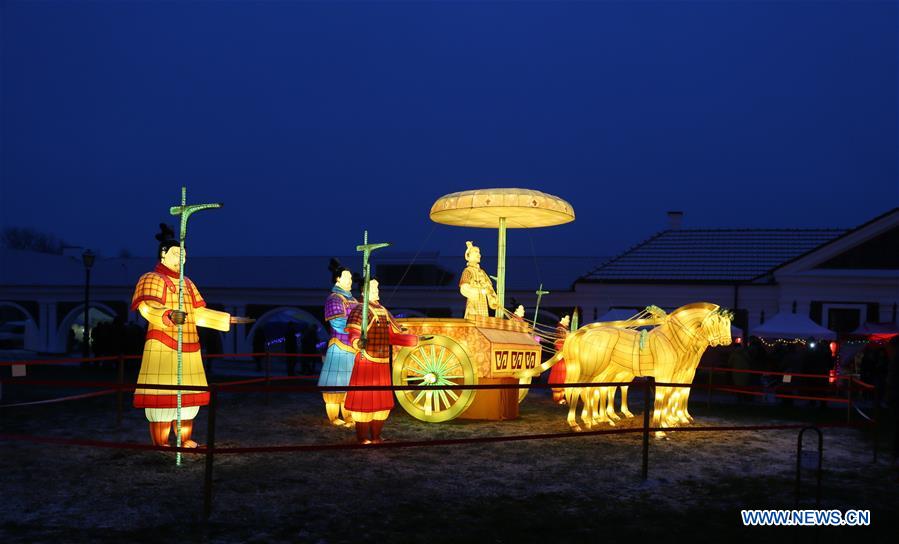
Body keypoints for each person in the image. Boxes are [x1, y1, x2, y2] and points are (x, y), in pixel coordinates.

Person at [131, 224, 251, 448]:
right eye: (177, 254)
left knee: (187, 398)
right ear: (163, 254)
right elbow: (147, 307)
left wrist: (225, 319)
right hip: (163, 346)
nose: (181, 259)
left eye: (184, 255)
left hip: (189, 347)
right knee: (162, 400)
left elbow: (197, 313)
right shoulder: (151, 278)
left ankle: (185, 440)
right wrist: (167, 314)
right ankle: (161, 443)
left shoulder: (188, 283)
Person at [344, 279, 418, 444]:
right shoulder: (359, 310)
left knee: (381, 403)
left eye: (377, 287)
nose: (377, 290)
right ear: (364, 291)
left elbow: (391, 336)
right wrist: (358, 342)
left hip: (382, 362)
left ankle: (376, 436)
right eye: (373, 287)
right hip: (366, 362)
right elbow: (354, 333)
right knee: (364, 402)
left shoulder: (383, 310)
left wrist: (413, 340)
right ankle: (363, 437)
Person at [318, 266, 358, 427]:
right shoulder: (334, 299)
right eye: (347, 277)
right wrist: (356, 329)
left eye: (351, 277)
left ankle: (349, 416)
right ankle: (334, 417)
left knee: (349, 385)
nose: (350, 280)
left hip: (353, 347)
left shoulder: (354, 301)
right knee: (336, 384)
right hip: (340, 345)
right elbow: (338, 323)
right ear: (338, 279)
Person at [458, 241, 497, 319]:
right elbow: (464, 288)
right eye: (476, 252)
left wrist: (493, 299)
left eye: (479, 252)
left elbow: (489, 288)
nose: (479, 255)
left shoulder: (482, 272)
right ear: (469, 256)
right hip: (474, 303)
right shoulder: (468, 271)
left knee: (484, 321)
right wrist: (478, 291)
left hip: (483, 303)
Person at [547, 315, 570, 404]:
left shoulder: (566, 337)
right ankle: (557, 399)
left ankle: (562, 397)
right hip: (559, 361)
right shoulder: (559, 338)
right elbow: (561, 347)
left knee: (564, 379)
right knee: (558, 379)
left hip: (566, 362)